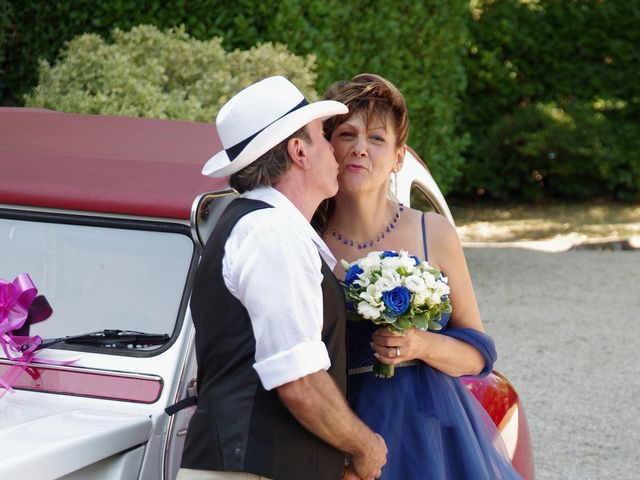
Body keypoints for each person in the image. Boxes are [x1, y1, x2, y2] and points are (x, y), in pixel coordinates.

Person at [175, 76, 387, 480]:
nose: (333, 151)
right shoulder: (271, 234)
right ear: (299, 152)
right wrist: (366, 446)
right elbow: (299, 380)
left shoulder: (259, 226)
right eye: (324, 138)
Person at [315, 73, 522, 480]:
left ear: (397, 156)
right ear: (328, 146)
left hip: (428, 439)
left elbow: (479, 354)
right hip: (340, 434)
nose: (360, 149)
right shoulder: (307, 239)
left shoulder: (433, 233)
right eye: (346, 134)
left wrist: (419, 343)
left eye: (376, 138)